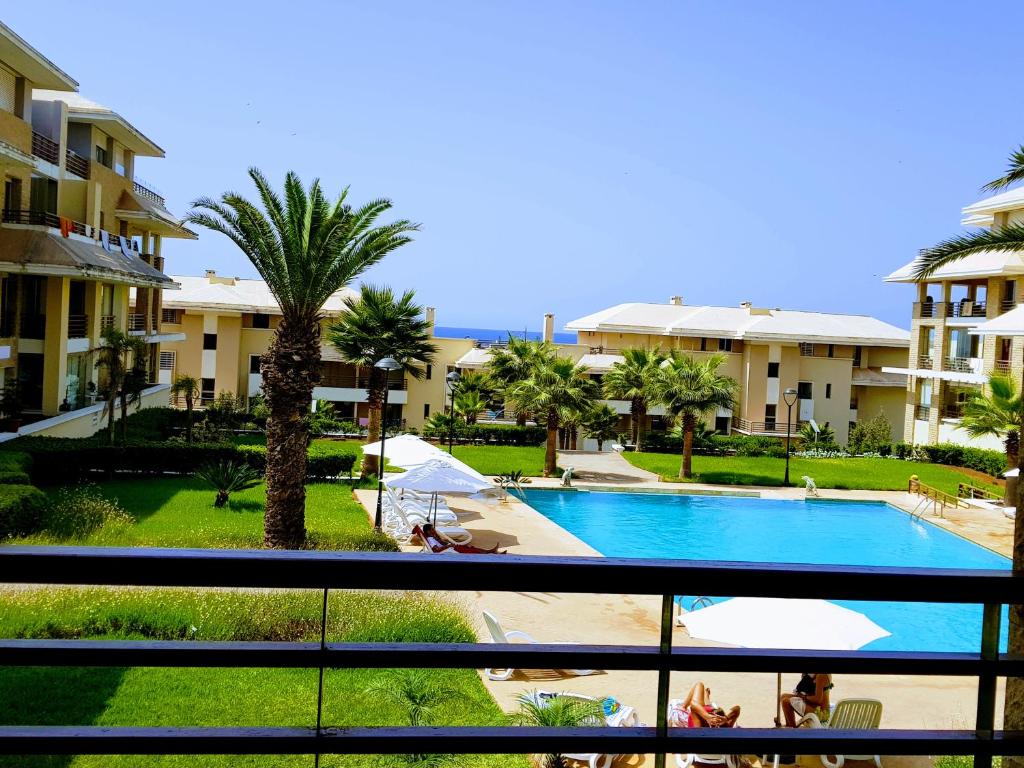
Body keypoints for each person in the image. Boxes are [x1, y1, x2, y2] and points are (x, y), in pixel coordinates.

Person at [669, 682, 741, 728]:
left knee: (699, 685)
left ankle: (683, 707)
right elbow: (737, 709)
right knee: (711, 706)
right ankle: (707, 698)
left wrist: (707, 716)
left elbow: (693, 705)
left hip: (700, 712)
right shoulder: (726, 728)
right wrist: (726, 719)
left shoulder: (699, 726)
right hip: (707, 711)